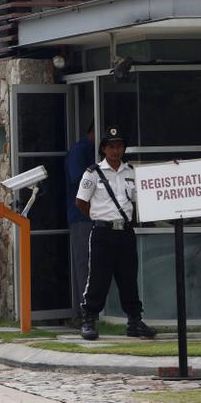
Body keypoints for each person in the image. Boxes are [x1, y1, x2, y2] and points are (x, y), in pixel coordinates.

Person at [75, 125, 156, 341]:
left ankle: (134, 321)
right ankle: (89, 319)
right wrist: (98, 217)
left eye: (119, 146)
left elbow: (138, 200)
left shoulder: (130, 172)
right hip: (103, 232)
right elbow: (81, 202)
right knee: (98, 278)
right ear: (103, 149)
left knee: (128, 278)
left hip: (125, 232)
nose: (115, 151)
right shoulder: (93, 173)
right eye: (111, 146)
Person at [65, 122, 95, 319]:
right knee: (83, 262)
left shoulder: (96, 152)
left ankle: (94, 310)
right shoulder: (80, 150)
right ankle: (84, 312)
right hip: (81, 216)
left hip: (99, 215)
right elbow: (78, 179)